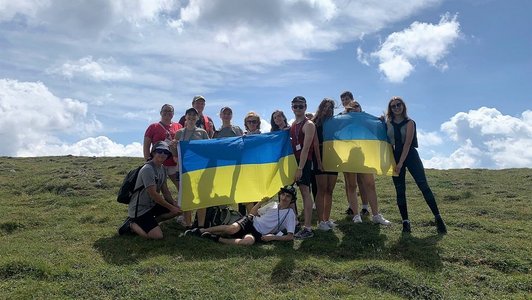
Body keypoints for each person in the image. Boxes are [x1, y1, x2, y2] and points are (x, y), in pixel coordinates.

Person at [386, 96, 447, 234]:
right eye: (393, 106)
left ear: (403, 106)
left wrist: (401, 163)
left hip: (410, 156)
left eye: (398, 104)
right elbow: (388, 142)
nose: (396, 108)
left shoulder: (410, 123)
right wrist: (392, 161)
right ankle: (405, 222)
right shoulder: (388, 123)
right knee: (400, 190)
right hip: (395, 157)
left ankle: (438, 218)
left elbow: (407, 144)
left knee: (423, 185)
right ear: (390, 109)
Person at [340, 91, 391, 225]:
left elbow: (376, 128)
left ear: (361, 108)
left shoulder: (366, 120)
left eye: (357, 106)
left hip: (365, 155)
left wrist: (380, 121)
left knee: (370, 184)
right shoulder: (342, 120)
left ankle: (375, 214)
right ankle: (356, 215)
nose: (355, 108)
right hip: (349, 156)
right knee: (351, 185)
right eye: (352, 107)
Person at [185, 185, 297, 246]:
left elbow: (290, 237)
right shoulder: (273, 204)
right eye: (283, 194)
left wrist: (272, 237)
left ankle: (216, 238)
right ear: (280, 195)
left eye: (288, 196)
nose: (284, 198)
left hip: (259, 233)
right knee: (231, 229)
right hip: (251, 221)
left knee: (248, 242)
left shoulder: (290, 214)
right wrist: (260, 202)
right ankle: (201, 230)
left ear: (292, 200)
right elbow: (253, 213)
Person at [118, 141, 181, 239]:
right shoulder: (148, 169)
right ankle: (131, 225)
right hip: (140, 209)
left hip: (151, 205)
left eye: (166, 152)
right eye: (160, 151)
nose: (163, 154)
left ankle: (151, 223)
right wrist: (171, 207)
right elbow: (153, 194)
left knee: (178, 211)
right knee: (158, 236)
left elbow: (165, 191)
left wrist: (173, 203)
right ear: (154, 153)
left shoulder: (163, 169)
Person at [174, 107, 210, 228]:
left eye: (194, 115)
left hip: (200, 170)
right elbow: (175, 153)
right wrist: (172, 145)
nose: (191, 117)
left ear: (197, 117)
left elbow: (209, 149)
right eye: (189, 115)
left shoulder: (202, 132)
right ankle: (188, 224)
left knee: (201, 196)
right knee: (187, 197)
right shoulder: (179, 133)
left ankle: (200, 225)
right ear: (185, 117)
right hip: (185, 170)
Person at [289, 96, 316, 239]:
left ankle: (308, 228)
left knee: (305, 191)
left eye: (301, 106)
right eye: (295, 106)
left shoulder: (309, 124)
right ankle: (296, 223)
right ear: (292, 107)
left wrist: (300, 168)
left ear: (305, 107)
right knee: (293, 191)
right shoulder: (293, 124)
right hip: (295, 161)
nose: (298, 108)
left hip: (303, 162)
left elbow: (306, 148)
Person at [312, 98, 338, 231]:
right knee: (321, 189)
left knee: (330, 190)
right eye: (325, 107)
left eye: (330, 108)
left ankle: (327, 219)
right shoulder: (315, 123)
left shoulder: (334, 123)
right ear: (321, 107)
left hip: (333, 156)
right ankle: (321, 221)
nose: (328, 110)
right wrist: (319, 161)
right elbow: (315, 144)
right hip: (320, 155)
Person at [143, 104, 182, 193]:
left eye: (170, 111)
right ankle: (163, 205)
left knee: (181, 187)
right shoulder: (153, 127)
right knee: (161, 187)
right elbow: (146, 146)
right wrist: (148, 161)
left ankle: (181, 205)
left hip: (174, 163)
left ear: (173, 114)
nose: (167, 113)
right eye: (165, 111)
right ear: (161, 112)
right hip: (158, 163)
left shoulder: (179, 126)